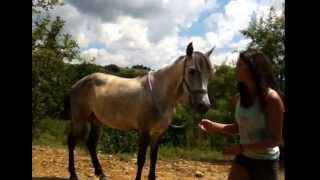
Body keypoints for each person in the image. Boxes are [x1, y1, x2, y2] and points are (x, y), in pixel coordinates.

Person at [199, 49, 285, 180]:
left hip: (266, 162)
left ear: (253, 68)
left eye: (240, 65)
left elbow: (275, 140)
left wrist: (241, 147)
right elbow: (239, 127)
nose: (236, 68)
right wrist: (213, 126)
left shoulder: (272, 99)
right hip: (244, 158)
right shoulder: (238, 98)